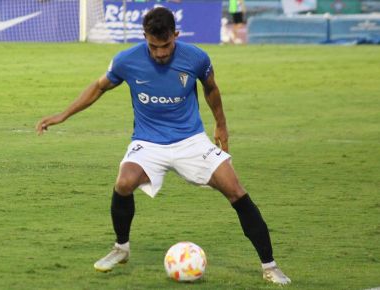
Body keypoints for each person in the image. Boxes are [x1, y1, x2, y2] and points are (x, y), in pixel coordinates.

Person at [36, 7, 291, 285]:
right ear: (144, 36)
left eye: (166, 45)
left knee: (235, 190)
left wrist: (220, 125)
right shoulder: (126, 61)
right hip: (148, 141)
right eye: (153, 46)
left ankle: (270, 265)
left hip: (191, 140)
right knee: (124, 183)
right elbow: (98, 87)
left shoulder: (196, 57)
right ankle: (121, 248)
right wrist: (63, 115)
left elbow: (211, 88)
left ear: (176, 36)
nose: (160, 53)